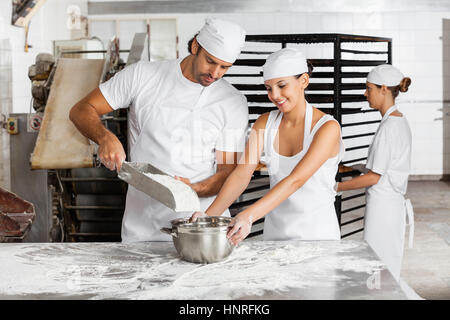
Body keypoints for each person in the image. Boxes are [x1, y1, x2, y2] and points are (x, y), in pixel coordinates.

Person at [69, 18, 249, 242]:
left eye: (224, 67)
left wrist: (191, 189)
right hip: (143, 229)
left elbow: (227, 173)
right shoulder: (143, 76)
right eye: (210, 61)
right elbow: (81, 109)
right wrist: (104, 137)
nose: (215, 73)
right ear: (195, 46)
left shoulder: (233, 102)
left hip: (202, 229)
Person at [192, 48, 345, 245]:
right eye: (269, 88)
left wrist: (249, 215)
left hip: (317, 234)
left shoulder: (327, 128)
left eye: (282, 86)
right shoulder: (265, 123)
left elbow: (296, 180)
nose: (275, 95)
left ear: (304, 81)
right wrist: (207, 217)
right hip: (275, 234)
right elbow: (241, 174)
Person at [336, 64, 414, 282]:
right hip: (390, 206)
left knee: (377, 269)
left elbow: (374, 177)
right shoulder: (398, 120)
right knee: (384, 268)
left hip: (384, 209)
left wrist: (335, 188)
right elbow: (385, 167)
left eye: (368, 88)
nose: (365, 93)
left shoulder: (389, 127)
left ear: (384, 89)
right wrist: (355, 168)